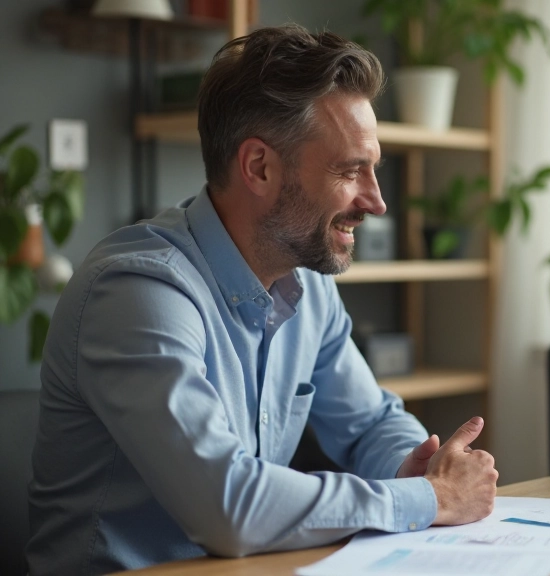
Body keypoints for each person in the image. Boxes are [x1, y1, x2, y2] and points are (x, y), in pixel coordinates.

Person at [26, 25, 498, 574]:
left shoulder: (308, 286)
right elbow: (228, 506)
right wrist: (429, 499)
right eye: (349, 171)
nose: (376, 202)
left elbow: (370, 422)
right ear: (258, 167)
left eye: (374, 170)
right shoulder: (137, 293)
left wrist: (421, 465)